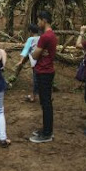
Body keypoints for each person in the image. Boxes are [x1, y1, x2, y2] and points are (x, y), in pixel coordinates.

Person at [29, 10, 57, 143]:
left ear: (44, 20)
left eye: (39, 20)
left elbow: (34, 55)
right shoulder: (52, 35)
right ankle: (46, 129)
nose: (37, 23)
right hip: (46, 70)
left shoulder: (46, 36)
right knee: (45, 102)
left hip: (44, 71)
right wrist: (41, 52)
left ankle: (47, 133)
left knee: (46, 103)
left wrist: (38, 52)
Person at [15, 23, 41, 103]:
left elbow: (25, 50)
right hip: (42, 62)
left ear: (30, 31)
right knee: (41, 80)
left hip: (35, 62)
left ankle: (33, 97)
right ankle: (42, 96)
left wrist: (20, 61)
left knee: (36, 80)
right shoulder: (41, 38)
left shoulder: (30, 39)